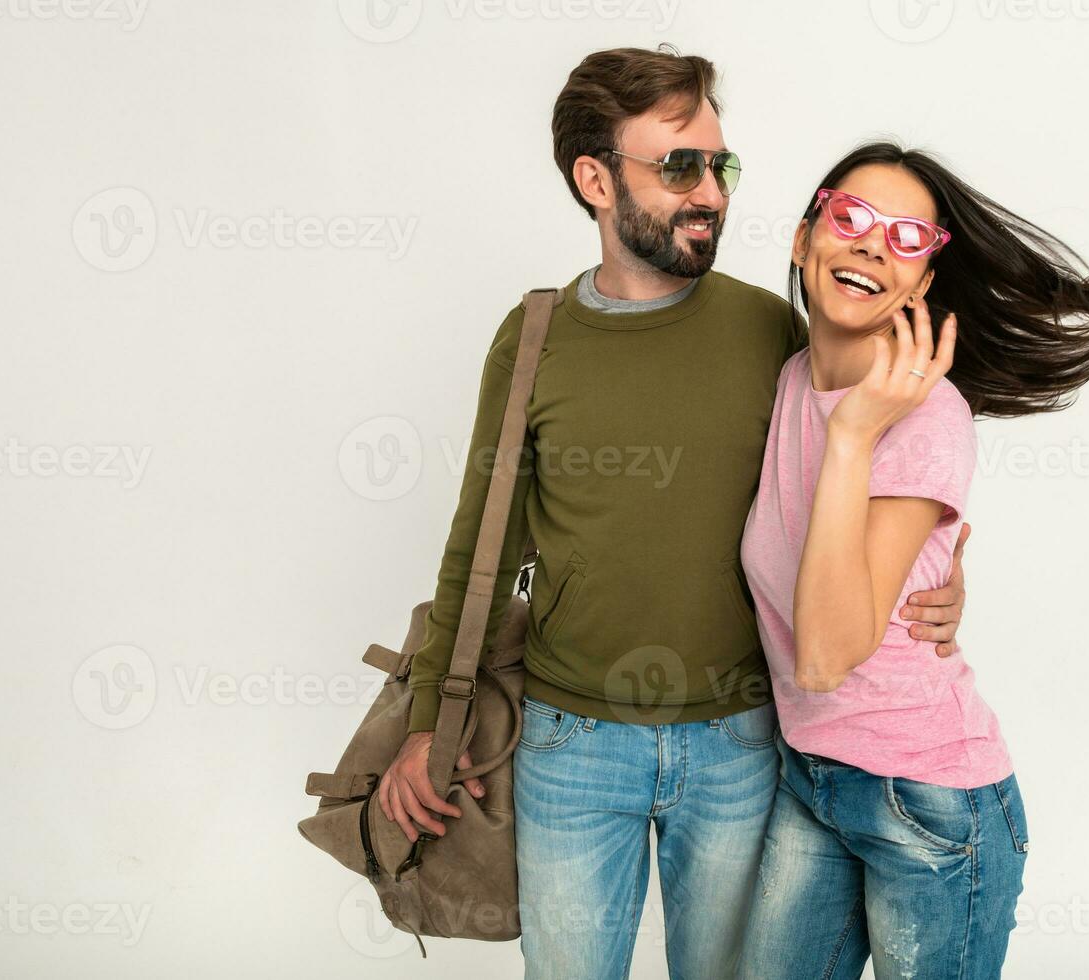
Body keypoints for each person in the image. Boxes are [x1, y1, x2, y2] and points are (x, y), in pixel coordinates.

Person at [373, 48, 972, 979]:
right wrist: (429, 722)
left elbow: (879, 460)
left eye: (720, 165)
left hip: (743, 744)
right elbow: (476, 548)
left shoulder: (772, 331)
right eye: (679, 166)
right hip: (569, 744)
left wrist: (941, 574)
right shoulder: (534, 338)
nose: (711, 193)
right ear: (595, 178)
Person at [735, 143, 1089, 979]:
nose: (874, 245)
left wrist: (856, 434)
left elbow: (827, 653)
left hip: (930, 804)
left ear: (922, 284)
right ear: (804, 241)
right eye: (852, 219)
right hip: (811, 778)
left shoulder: (925, 417)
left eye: (907, 238)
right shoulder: (791, 376)